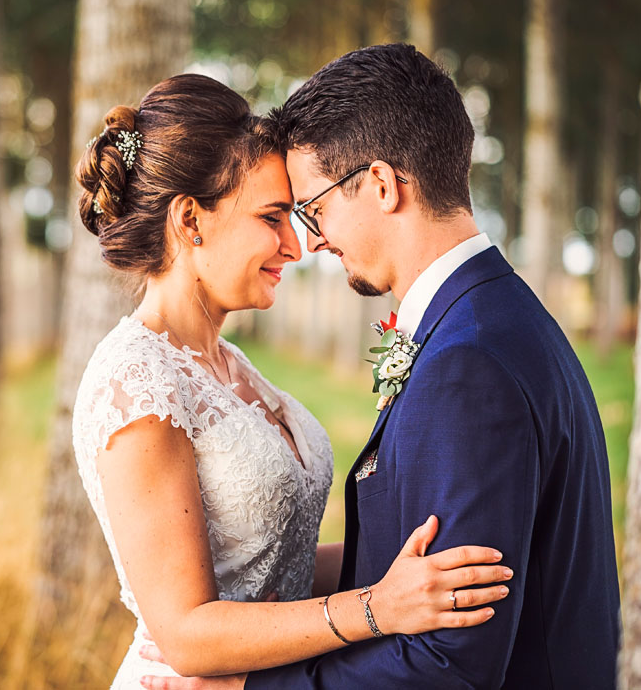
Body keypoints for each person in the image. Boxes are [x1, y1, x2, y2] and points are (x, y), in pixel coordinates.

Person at [145, 45, 622, 689]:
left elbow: (449, 662)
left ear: (380, 184)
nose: (310, 240)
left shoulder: (467, 363)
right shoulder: (493, 317)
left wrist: (250, 687)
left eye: (313, 208)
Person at [71, 73, 513, 690]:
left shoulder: (225, 364)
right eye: (273, 217)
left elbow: (282, 566)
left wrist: (420, 568)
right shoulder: (136, 384)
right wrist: (376, 609)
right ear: (191, 220)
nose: (296, 245)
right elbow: (187, 635)